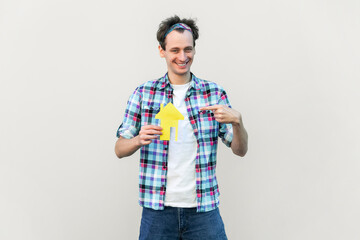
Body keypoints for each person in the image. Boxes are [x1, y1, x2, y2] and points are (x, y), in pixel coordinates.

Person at [114, 15, 248, 240]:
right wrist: (137, 140)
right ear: (162, 51)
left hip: (203, 209)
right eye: (175, 50)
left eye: (188, 49)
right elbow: (119, 148)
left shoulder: (214, 94)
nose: (182, 56)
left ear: (194, 50)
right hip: (157, 211)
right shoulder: (143, 94)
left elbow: (240, 150)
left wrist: (238, 122)